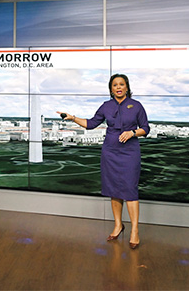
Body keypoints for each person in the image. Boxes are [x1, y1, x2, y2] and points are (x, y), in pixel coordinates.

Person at [58, 73, 149, 249]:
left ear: (127, 87)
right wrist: (73, 118)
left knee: (130, 189)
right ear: (111, 89)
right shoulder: (106, 106)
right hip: (110, 152)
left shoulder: (136, 106)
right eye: (115, 85)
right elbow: (91, 123)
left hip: (130, 152)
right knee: (114, 189)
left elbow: (146, 128)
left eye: (121, 84)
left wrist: (132, 133)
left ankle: (135, 230)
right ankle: (118, 226)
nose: (118, 87)